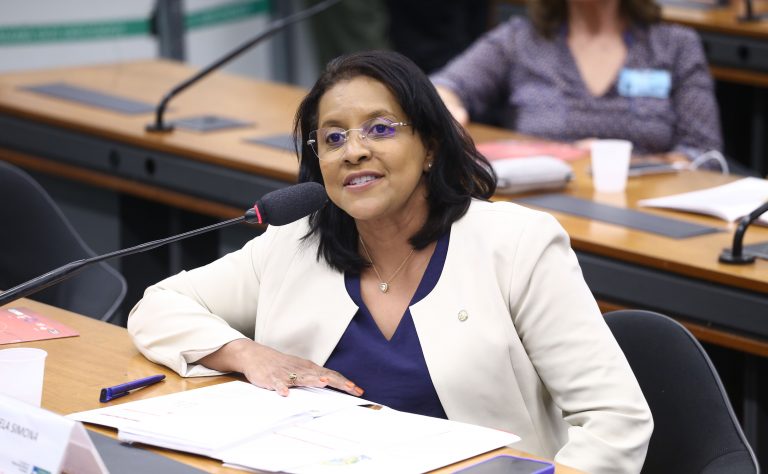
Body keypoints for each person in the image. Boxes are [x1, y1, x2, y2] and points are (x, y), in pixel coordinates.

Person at [128, 50, 653, 472]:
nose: (353, 150)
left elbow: (615, 421)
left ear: (430, 146)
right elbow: (159, 305)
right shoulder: (292, 243)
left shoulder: (517, 245)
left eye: (380, 128)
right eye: (333, 137)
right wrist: (246, 353)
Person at [431, 0, 722, 160]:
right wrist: (448, 106)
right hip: (547, 209)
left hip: (648, 215)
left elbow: (704, 153)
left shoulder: (675, 45)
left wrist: (625, 164)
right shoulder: (520, 39)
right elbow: (445, 86)